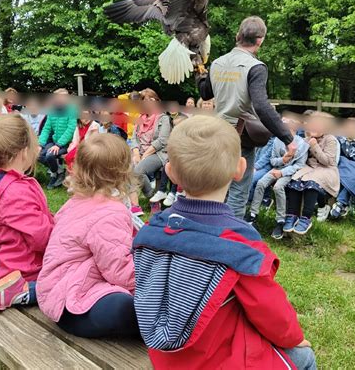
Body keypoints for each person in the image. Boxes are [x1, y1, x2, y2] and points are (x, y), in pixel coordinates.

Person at [133, 115, 316, 369]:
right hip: (218, 358)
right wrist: (295, 338)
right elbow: (270, 310)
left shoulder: (149, 233)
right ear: (241, 169)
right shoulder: (239, 245)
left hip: (165, 358)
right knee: (304, 358)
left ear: (170, 172)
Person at [37, 134, 139, 338]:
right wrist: (149, 280)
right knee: (127, 308)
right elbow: (120, 271)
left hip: (55, 294)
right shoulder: (110, 212)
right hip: (78, 303)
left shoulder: (74, 202)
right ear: (122, 173)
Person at [197, 16, 296, 219]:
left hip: (216, 133)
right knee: (239, 188)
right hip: (239, 136)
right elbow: (261, 105)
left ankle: (212, 228)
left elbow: (205, 93)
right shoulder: (256, 67)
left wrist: (198, 73)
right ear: (260, 40)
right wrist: (288, 138)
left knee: (217, 184)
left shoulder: (217, 63)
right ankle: (230, 237)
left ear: (237, 36)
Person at [0, 114, 54, 310]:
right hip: (24, 272)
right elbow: (42, 238)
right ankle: (21, 293)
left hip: (4, 266)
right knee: (70, 283)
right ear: (23, 152)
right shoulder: (16, 192)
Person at [248, 117, 309, 239]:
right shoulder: (277, 141)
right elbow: (272, 160)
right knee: (260, 183)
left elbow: (299, 165)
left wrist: (282, 173)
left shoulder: (302, 145)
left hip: (288, 172)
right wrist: (283, 160)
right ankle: (252, 214)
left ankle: (280, 221)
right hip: (275, 169)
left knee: (278, 187)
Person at [284, 112, 339, 234]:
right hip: (309, 169)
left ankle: (305, 219)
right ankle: (291, 215)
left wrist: (315, 146)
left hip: (326, 170)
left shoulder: (330, 140)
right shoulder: (305, 140)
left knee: (311, 184)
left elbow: (327, 161)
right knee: (294, 181)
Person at [130, 88, 171, 214]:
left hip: (158, 153)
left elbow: (162, 141)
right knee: (127, 169)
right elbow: (134, 138)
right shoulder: (140, 119)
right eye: (144, 101)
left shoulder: (164, 118)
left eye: (150, 100)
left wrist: (144, 155)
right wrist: (136, 153)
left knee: (137, 170)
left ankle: (152, 199)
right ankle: (135, 206)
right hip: (140, 152)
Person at [38, 88, 77, 189]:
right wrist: (40, 144)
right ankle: (59, 171)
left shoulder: (72, 110)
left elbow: (71, 129)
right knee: (38, 154)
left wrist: (58, 145)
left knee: (50, 156)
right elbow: (46, 128)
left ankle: (55, 175)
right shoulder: (52, 111)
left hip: (67, 143)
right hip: (54, 142)